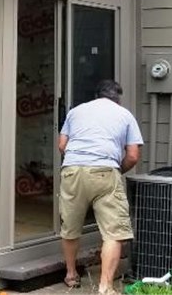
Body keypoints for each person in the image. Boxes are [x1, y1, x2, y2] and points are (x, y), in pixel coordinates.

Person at [57, 80, 143, 294]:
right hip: (105, 169)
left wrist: (78, 161)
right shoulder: (125, 115)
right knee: (114, 232)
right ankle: (105, 287)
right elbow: (133, 156)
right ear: (117, 98)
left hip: (73, 169)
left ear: (97, 96)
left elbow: (62, 145)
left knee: (71, 227)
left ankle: (71, 275)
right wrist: (115, 171)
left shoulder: (76, 111)